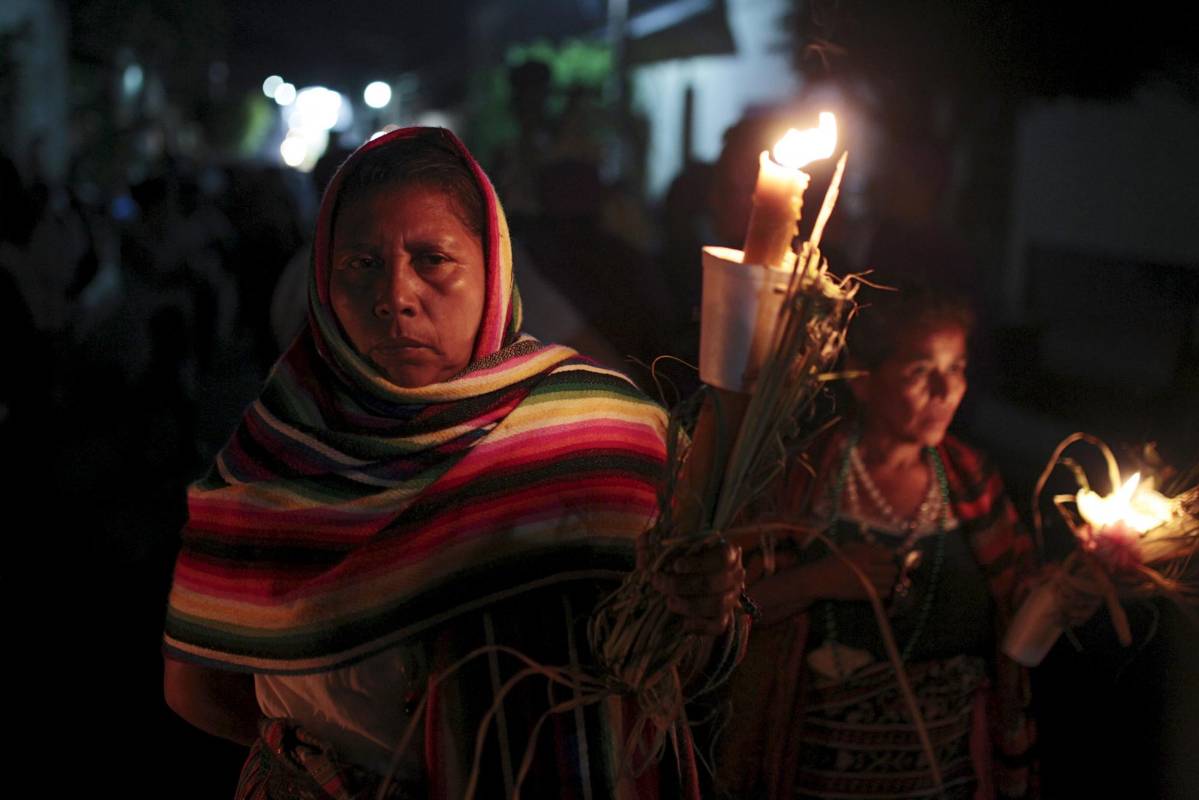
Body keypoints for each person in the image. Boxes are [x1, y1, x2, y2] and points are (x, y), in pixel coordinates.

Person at [162, 127, 746, 799]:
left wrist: (706, 601)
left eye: (432, 259)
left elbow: (680, 662)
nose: (396, 296)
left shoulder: (606, 436)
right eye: (360, 264)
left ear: (492, 267)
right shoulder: (275, 456)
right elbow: (199, 688)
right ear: (323, 281)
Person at [717, 286, 1040, 799]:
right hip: (816, 777)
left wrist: (1074, 591)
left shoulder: (972, 480)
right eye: (919, 371)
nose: (945, 390)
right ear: (864, 381)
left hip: (949, 773)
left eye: (956, 368)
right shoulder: (802, 478)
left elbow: (1023, 609)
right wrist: (819, 581)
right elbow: (732, 613)